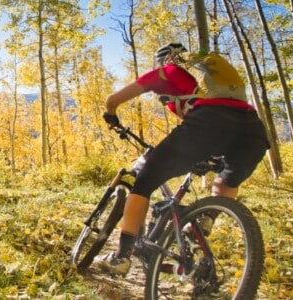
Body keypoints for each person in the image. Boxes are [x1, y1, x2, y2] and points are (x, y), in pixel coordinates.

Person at [93, 43, 270, 276]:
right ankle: (206, 218)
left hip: (208, 123)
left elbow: (114, 99)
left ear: (163, 61)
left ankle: (121, 258)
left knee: (144, 182)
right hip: (253, 131)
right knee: (227, 182)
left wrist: (111, 113)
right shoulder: (212, 79)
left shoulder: (165, 73)